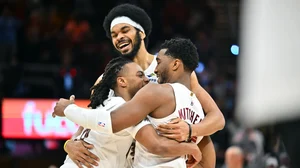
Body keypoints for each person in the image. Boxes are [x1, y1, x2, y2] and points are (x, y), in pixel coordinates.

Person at [62, 3, 225, 167]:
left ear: (141, 32)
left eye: (125, 30)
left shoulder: (170, 70)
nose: (119, 37)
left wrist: (191, 130)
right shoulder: (107, 78)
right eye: (114, 35)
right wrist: (70, 144)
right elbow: (89, 124)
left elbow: (216, 119)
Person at [53, 38, 208, 167]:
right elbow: (154, 143)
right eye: (140, 75)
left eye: (159, 62)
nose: (149, 76)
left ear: (175, 64)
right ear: (122, 81)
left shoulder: (142, 101)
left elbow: (104, 122)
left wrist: (69, 110)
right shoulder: (199, 110)